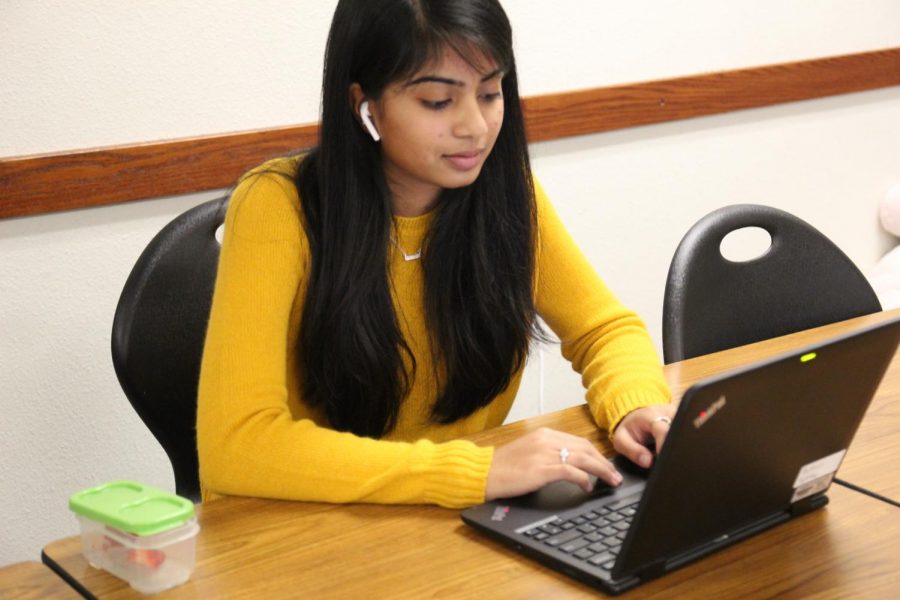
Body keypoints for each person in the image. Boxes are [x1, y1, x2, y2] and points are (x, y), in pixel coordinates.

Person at [197, 0, 674, 508]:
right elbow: (238, 442)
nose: (476, 126)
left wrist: (637, 405)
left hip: (452, 523)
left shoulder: (506, 194)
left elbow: (603, 330)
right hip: (305, 527)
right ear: (365, 104)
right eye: (438, 102)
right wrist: (470, 471)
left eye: (490, 93)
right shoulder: (277, 205)